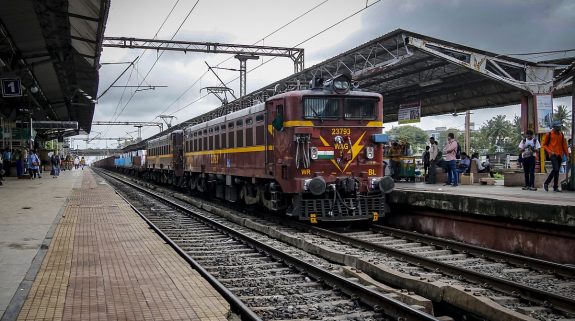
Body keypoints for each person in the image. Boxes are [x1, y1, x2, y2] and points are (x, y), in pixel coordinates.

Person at [543, 121, 569, 192]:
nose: (560, 127)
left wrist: (567, 155)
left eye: (560, 126)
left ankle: (555, 187)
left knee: (556, 171)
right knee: (556, 169)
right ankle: (546, 183)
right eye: (558, 126)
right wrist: (550, 152)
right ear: (554, 127)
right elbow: (544, 145)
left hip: (560, 155)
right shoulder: (549, 134)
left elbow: (564, 145)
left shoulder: (561, 134)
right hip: (552, 154)